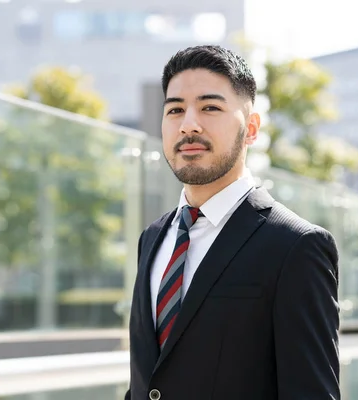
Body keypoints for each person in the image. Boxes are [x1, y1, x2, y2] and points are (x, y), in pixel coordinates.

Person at [124, 45, 340, 400]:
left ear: (251, 128)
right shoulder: (153, 237)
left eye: (210, 107)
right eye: (175, 110)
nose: (189, 124)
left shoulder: (296, 246)